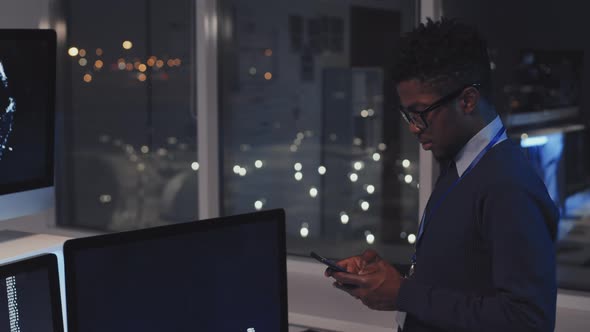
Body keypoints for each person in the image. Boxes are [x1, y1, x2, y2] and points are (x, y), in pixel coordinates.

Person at [325, 18, 559, 332]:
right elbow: (462, 279)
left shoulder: (508, 186)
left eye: (421, 112)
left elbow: (528, 320)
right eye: (408, 113)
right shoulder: (459, 163)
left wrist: (404, 293)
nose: (413, 126)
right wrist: (386, 278)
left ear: (467, 100)